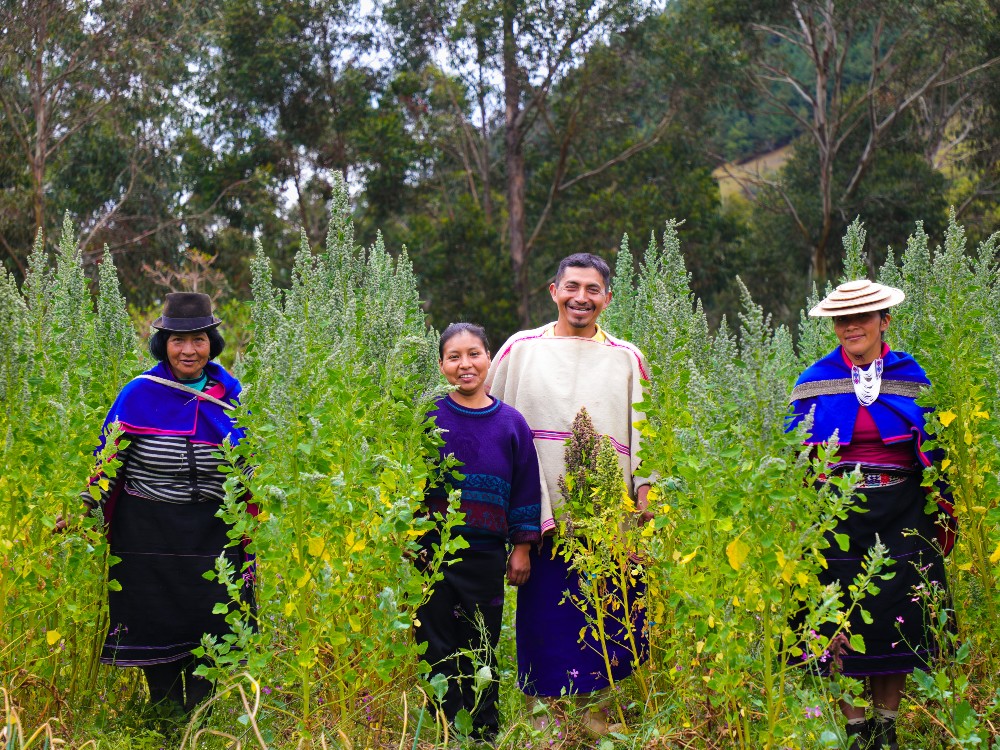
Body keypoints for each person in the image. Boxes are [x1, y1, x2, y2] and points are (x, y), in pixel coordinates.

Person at [485, 253, 651, 736]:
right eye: (572, 287)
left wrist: (645, 511)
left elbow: (647, 442)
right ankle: (549, 730)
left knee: (609, 622)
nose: (582, 297)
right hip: (541, 520)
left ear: (607, 298)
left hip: (607, 523)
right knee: (546, 625)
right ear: (553, 291)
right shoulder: (521, 350)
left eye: (593, 289)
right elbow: (492, 419)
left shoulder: (626, 357)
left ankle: (600, 727)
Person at [788, 280, 954, 750]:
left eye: (864, 317)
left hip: (902, 512)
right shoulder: (813, 380)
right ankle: (857, 729)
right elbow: (792, 451)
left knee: (892, 620)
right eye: (843, 319)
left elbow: (938, 447)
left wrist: (939, 506)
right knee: (841, 619)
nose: (852, 326)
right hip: (838, 516)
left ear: (885, 321)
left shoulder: (912, 376)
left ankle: (887, 724)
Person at [79, 292, 255, 720]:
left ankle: (199, 715)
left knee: (211, 623)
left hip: (215, 531)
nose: (188, 350)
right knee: (153, 622)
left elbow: (255, 463)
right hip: (147, 533)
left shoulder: (233, 396)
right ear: (163, 344)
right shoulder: (140, 393)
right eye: (178, 340)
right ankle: (162, 711)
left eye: (198, 339)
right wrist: (87, 508)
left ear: (212, 342)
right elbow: (108, 460)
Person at [415, 322, 542, 742]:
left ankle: (484, 731)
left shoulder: (511, 423)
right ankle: (444, 728)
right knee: (434, 641)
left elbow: (525, 489)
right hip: (433, 554)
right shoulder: (428, 416)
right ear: (442, 365)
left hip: (486, 555)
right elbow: (410, 483)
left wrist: (521, 547)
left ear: (490, 358)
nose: (465, 365)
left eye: (474, 354)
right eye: (454, 357)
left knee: (481, 640)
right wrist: (410, 539)